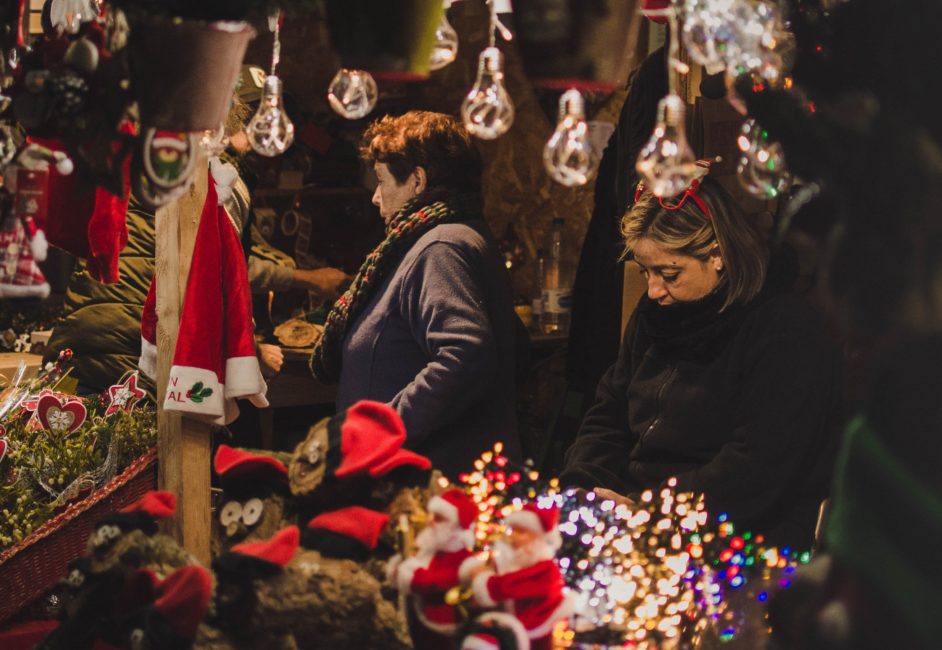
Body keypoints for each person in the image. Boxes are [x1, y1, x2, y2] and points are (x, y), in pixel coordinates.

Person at [559, 173, 841, 548]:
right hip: (637, 514)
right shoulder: (654, 314)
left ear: (718, 255)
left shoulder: (785, 329)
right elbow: (610, 410)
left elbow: (756, 468)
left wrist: (649, 513)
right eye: (646, 271)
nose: (653, 290)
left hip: (733, 531)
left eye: (668, 273)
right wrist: (587, 488)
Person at [310, 111, 520, 478]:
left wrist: (380, 432)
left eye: (381, 181)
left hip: (430, 483)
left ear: (418, 180)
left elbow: (465, 353)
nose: (376, 198)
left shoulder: (441, 247)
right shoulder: (445, 237)